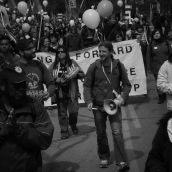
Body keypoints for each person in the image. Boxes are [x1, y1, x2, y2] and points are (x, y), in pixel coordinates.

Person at [83, 41, 131, 171]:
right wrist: (88, 101)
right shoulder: (94, 66)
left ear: (110, 52)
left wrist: (122, 98)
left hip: (113, 105)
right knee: (101, 133)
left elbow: (127, 85)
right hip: (98, 107)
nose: (101, 54)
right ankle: (104, 156)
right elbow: (87, 85)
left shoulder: (118, 66)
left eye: (104, 51)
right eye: (99, 51)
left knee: (117, 132)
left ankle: (121, 160)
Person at [0, 65, 54, 172]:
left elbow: (45, 139)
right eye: (16, 86)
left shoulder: (35, 106)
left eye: (23, 84)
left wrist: (20, 131)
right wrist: (3, 132)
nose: (21, 89)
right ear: (3, 86)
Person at [50, 45, 85, 139]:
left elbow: (82, 74)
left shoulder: (72, 63)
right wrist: (56, 79)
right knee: (62, 114)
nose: (60, 53)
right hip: (60, 93)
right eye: (59, 52)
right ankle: (64, 131)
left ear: (66, 53)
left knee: (74, 112)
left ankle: (73, 125)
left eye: (62, 51)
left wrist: (74, 75)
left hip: (72, 91)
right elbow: (48, 78)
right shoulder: (54, 65)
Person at [16, 38, 55, 103]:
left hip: (39, 108)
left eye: (33, 47)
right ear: (21, 52)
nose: (34, 50)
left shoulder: (39, 65)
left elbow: (51, 83)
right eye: (29, 49)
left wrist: (48, 93)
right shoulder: (14, 68)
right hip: (22, 110)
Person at [146, 28, 170, 104]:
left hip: (168, 66)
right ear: (153, 35)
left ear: (161, 34)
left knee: (169, 81)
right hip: (156, 67)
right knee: (159, 83)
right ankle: (161, 97)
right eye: (155, 34)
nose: (157, 35)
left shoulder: (166, 43)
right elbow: (148, 57)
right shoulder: (151, 44)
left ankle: (168, 95)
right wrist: (148, 68)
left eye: (158, 33)